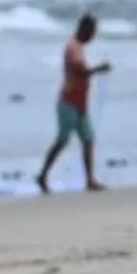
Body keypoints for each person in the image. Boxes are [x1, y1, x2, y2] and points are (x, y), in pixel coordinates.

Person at [37, 13, 111, 194]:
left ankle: (90, 180)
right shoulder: (73, 47)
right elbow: (80, 69)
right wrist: (98, 69)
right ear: (84, 29)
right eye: (92, 32)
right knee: (62, 141)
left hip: (79, 104)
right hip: (68, 102)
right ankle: (42, 175)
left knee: (88, 139)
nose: (93, 36)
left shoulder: (78, 47)